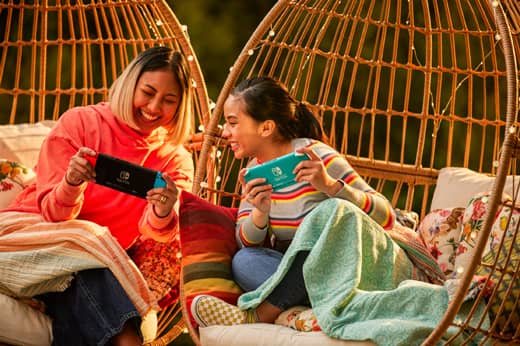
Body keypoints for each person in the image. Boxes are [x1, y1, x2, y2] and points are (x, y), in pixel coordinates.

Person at [0, 46, 194, 345]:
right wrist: (71, 183)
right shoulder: (79, 123)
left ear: (180, 107)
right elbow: (54, 215)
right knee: (91, 243)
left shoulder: (174, 159)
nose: (155, 107)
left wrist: (163, 211)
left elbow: (158, 234)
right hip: (25, 241)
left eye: (169, 101)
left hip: (89, 266)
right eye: (148, 92)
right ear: (130, 85)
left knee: (87, 287)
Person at [190, 76, 398, 326]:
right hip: (308, 276)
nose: (226, 132)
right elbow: (245, 243)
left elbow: (387, 217)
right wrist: (260, 212)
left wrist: (330, 186)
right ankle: (310, 304)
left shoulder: (316, 157)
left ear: (266, 128)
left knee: (331, 210)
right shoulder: (255, 169)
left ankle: (260, 314)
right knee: (244, 262)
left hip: (347, 268)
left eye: (233, 123)